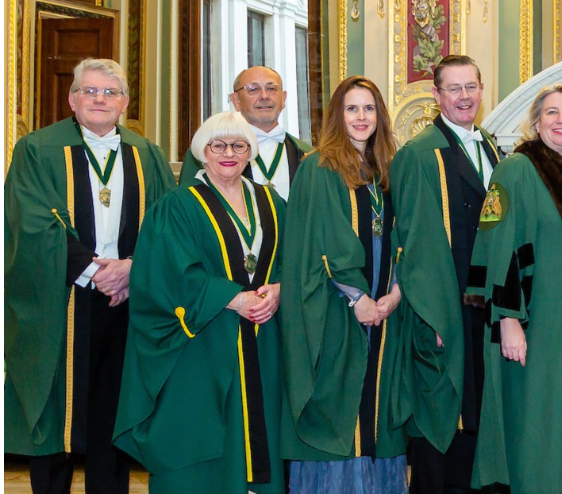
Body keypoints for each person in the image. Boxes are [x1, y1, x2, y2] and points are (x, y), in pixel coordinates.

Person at [5, 57, 173, 494]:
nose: (100, 100)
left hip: (127, 301)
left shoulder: (146, 155)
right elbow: (31, 221)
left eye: (110, 92)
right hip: (60, 299)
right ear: (72, 99)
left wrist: (132, 269)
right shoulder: (37, 149)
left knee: (112, 411)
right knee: (54, 411)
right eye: (90, 91)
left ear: (125, 103)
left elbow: (168, 224)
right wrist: (91, 271)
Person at [113, 111, 288, 492]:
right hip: (202, 340)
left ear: (250, 152)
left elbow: (296, 259)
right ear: (202, 152)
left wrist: (279, 288)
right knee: (200, 438)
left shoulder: (271, 201)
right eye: (218, 145)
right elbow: (165, 272)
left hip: (264, 340)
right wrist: (232, 298)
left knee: (263, 436)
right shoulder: (177, 206)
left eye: (239, 145)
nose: (229, 153)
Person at [467, 83, 562, 494]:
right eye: (551, 113)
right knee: (539, 425)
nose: (561, 120)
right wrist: (509, 320)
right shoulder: (518, 169)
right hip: (540, 323)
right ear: (535, 122)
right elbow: (498, 245)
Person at [279, 76, 412, 493]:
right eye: (351, 108)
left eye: (369, 109)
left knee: (377, 411)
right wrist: (358, 299)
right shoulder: (319, 167)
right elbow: (322, 242)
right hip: (337, 313)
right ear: (338, 114)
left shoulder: (386, 169)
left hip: (384, 312)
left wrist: (395, 290)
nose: (360, 117)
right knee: (342, 406)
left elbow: (404, 234)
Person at [390, 54, 492, 494]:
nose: (464, 97)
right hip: (444, 312)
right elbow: (413, 244)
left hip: (483, 311)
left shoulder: (489, 146)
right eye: (454, 88)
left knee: (476, 414)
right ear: (436, 95)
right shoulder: (419, 154)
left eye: (471, 87)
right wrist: (433, 316)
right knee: (441, 414)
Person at [179, 66, 314, 196]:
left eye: (271, 88)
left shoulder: (308, 153)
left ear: (283, 98)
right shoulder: (206, 151)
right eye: (253, 89)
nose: (264, 96)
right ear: (236, 100)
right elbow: (188, 206)